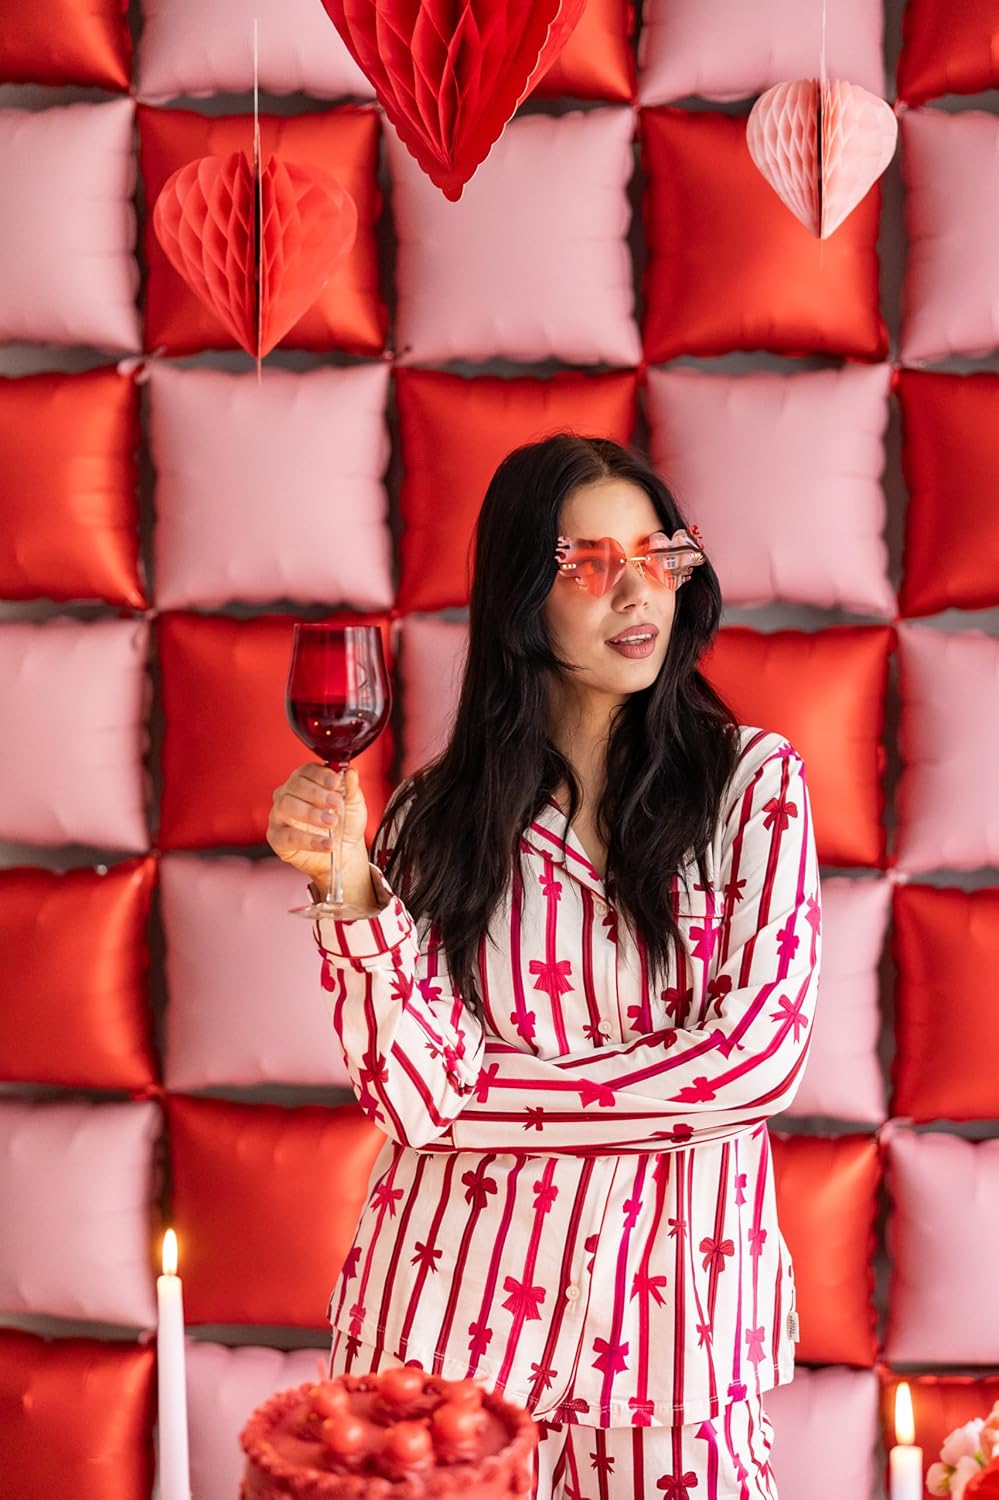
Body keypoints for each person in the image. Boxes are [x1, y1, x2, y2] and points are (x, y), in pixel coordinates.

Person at [266, 435, 822, 1500]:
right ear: (523, 595)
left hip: (675, 1340)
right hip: (445, 1326)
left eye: (656, 556)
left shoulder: (755, 787)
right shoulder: (433, 819)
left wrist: (481, 1099)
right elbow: (408, 1097)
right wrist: (350, 889)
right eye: (590, 564)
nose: (636, 591)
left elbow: (755, 1063)